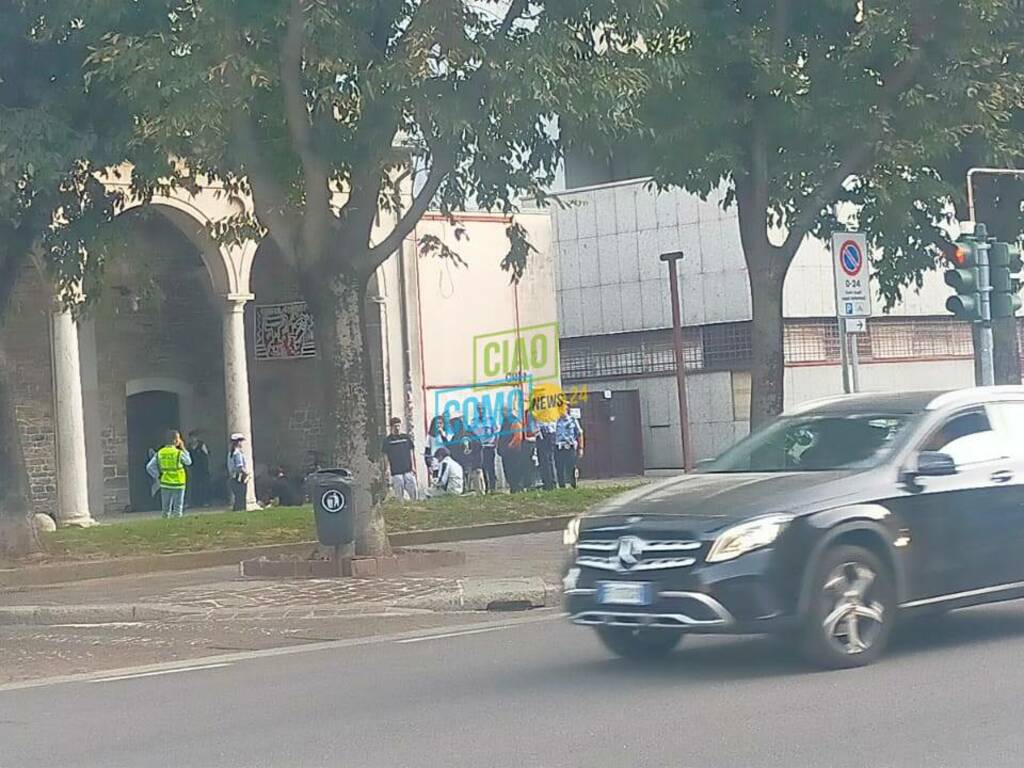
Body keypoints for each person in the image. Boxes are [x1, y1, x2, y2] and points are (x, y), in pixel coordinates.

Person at [146, 430, 192, 518]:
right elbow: (188, 462)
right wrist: (183, 448)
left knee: (165, 510)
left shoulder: (160, 453)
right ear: (175, 441)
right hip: (179, 482)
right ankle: (177, 526)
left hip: (165, 482)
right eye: (179, 438)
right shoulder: (178, 453)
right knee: (178, 509)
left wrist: (158, 475)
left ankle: (165, 525)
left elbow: (149, 467)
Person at [382, 416, 418, 503]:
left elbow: (411, 452)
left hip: (408, 468)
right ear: (391, 427)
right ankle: (400, 504)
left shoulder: (405, 438)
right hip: (396, 470)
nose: (397, 428)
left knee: (412, 486)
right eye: (395, 426)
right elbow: (385, 456)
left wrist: (413, 466)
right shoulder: (387, 441)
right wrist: (387, 469)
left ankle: (415, 502)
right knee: (399, 487)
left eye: (398, 426)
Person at [497, 407, 527, 493]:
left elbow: (518, 437)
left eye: (504, 411)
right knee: (508, 471)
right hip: (505, 453)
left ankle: (517, 488)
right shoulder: (504, 421)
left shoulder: (514, 421)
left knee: (515, 471)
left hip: (514, 453)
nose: (502, 413)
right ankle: (512, 487)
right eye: (501, 411)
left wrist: (509, 447)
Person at [554, 406, 584, 489]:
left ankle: (573, 484)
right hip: (559, 447)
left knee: (571, 467)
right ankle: (562, 486)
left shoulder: (573, 421)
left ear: (567, 410)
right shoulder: (555, 421)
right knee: (559, 467)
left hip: (570, 446)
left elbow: (580, 433)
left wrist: (581, 448)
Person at [473, 405, 498, 493]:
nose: (481, 410)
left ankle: (493, 488)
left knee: (490, 467)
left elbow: (496, 433)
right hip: (479, 447)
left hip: (489, 447)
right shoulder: (474, 421)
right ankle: (486, 488)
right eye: (479, 409)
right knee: (482, 468)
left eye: (482, 408)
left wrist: (495, 444)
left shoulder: (490, 420)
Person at [186, 430, 211, 508]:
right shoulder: (189, 447)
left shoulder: (201, 445)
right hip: (194, 468)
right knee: (194, 486)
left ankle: (205, 501)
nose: (193, 439)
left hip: (203, 468)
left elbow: (207, 455)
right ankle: (194, 502)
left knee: (204, 485)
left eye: (194, 437)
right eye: (191, 437)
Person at [227, 433, 249, 511]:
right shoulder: (238, 453)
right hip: (239, 478)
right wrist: (247, 474)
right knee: (241, 497)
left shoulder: (230, 453)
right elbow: (240, 466)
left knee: (237, 497)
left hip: (233, 478)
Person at [425, 415, 448, 481]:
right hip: (435, 463)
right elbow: (427, 451)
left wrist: (442, 435)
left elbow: (449, 446)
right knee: (436, 480)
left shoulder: (447, 434)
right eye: (437, 423)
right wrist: (428, 465)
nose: (439, 425)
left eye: (440, 423)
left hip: (445, 462)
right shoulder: (430, 436)